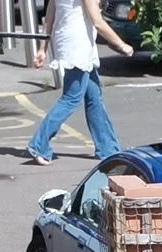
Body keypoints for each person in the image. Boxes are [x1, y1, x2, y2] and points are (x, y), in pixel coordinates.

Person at [24, 0, 132, 166]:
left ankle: (108, 149)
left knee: (94, 97)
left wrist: (42, 49)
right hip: (78, 46)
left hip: (69, 42)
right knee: (71, 98)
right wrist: (121, 44)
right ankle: (39, 144)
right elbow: (97, 22)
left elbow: (49, 18)